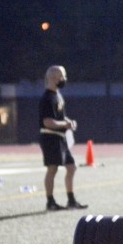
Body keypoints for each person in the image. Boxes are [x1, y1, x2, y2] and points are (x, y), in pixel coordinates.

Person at [39, 65, 87, 211]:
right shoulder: (47, 98)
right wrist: (64, 125)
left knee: (71, 167)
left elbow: (60, 117)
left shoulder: (58, 95)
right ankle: (50, 202)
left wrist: (69, 122)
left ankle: (71, 200)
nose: (64, 79)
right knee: (52, 169)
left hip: (61, 138)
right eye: (62, 76)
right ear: (53, 78)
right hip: (50, 137)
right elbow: (47, 122)